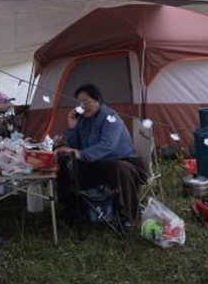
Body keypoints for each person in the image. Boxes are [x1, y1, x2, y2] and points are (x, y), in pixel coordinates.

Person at [55, 83, 147, 229]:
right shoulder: (83, 120)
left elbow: (108, 145)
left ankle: (125, 217)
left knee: (120, 168)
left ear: (97, 100)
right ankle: (73, 207)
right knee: (65, 162)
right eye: (80, 103)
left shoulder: (111, 118)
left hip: (120, 159)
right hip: (95, 161)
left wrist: (80, 154)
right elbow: (75, 145)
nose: (83, 107)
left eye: (86, 102)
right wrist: (72, 127)